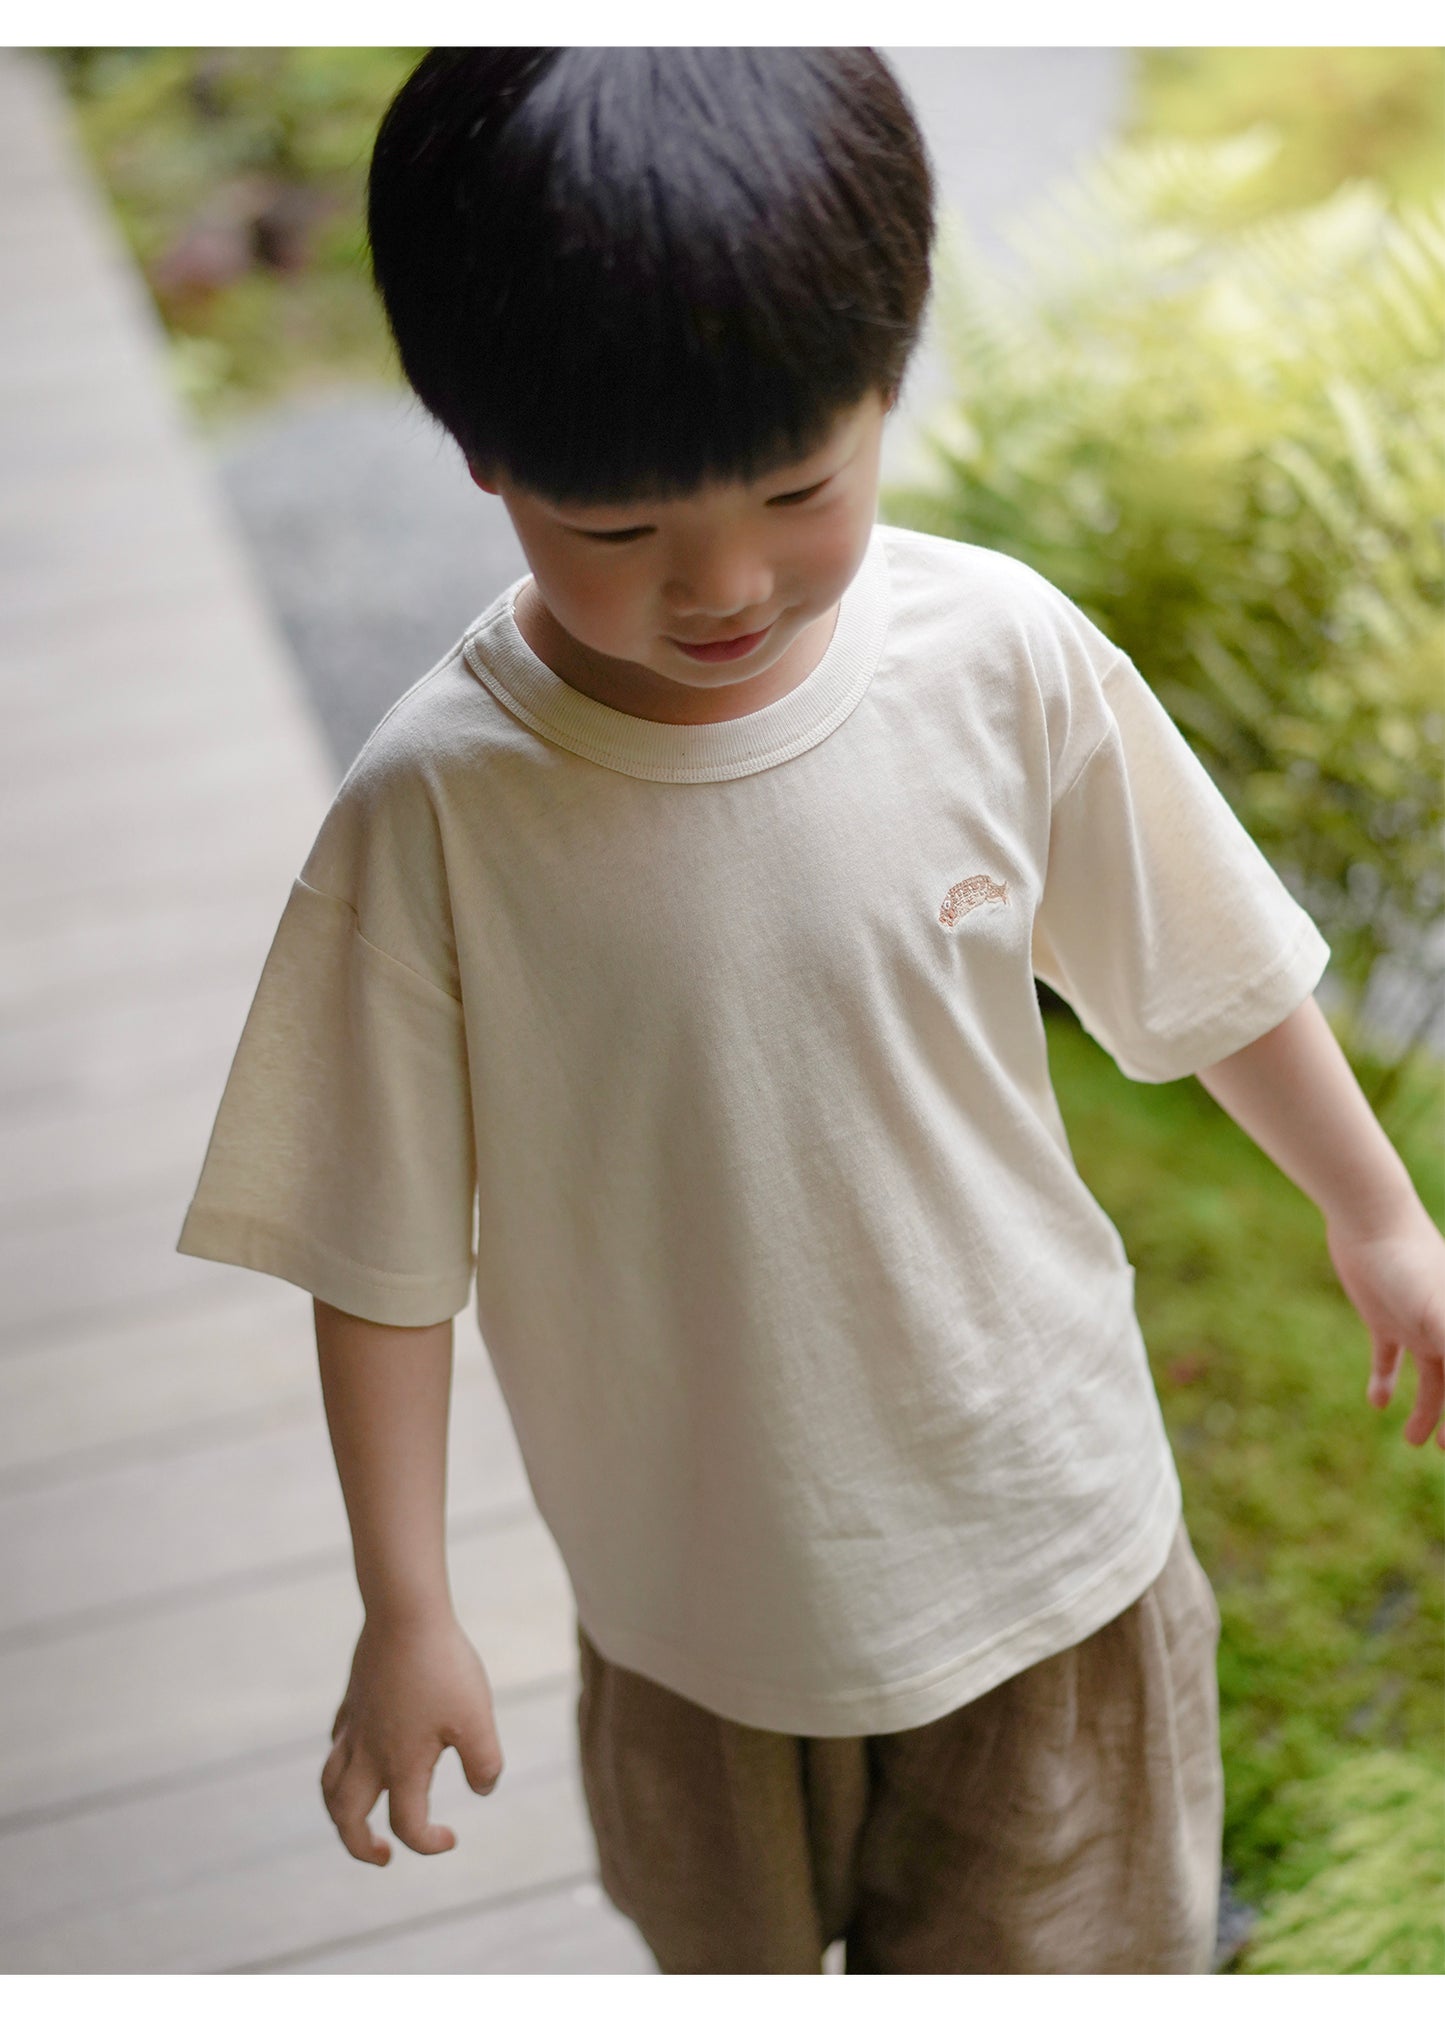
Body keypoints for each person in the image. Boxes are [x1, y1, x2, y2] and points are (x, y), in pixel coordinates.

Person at [176, 48, 1445, 1974]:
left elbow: (1207, 961)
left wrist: (1374, 1211)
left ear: (881, 390)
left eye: (796, 488)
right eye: (618, 531)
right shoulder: (435, 816)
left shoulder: (996, 659)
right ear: (482, 456)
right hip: (694, 1619)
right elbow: (375, 1246)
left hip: (1049, 1553)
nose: (721, 583)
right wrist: (406, 1602)